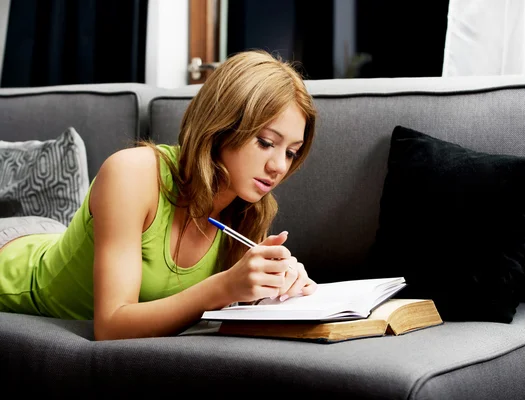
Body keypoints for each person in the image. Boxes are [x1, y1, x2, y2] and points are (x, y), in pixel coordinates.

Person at [0, 49, 318, 341]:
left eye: (291, 152)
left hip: (61, 239)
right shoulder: (132, 174)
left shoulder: (251, 209)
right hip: (11, 258)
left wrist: (275, 287)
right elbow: (111, 327)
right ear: (219, 126)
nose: (279, 166)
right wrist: (223, 287)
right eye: (265, 142)